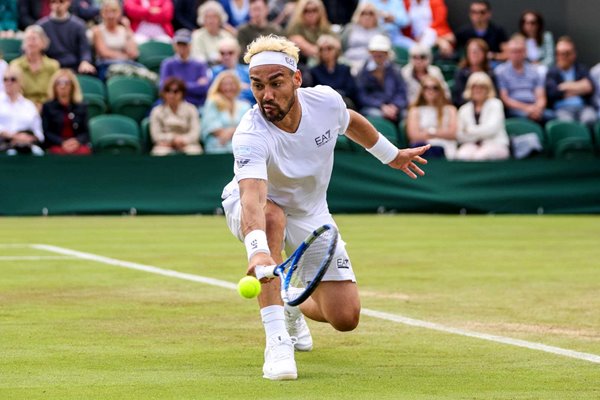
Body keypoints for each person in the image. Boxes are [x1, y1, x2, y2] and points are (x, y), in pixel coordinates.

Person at [220, 34, 430, 381]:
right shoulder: (250, 133)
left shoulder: (326, 102)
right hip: (255, 207)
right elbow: (253, 198)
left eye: (276, 83)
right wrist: (256, 252)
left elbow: (351, 122)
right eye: (257, 86)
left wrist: (391, 156)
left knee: (345, 318)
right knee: (273, 216)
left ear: (297, 79)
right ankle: (277, 342)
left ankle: (291, 300)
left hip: (312, 213)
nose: (266, 96)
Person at [455, 71, 509, 161]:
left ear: (488, 89)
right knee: (461, 155)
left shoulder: (496, 104)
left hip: (495, 143)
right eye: (474, 87)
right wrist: (476, 134)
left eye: (482, 87)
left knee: (480, 156)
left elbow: (491, 129)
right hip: (471, 144)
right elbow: (460, 135)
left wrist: (469, 130)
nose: (478, 90)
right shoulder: (464, 109)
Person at [545, 36, 596, 126]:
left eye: (567, 53)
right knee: (569, 125)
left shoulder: (581, 69)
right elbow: (553, 92)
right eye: (560, 53)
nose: (563, 56)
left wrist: (564, 87)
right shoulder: (552, 72)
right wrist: (579, 88)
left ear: (574, 54)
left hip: (583, 107)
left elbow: (590, 87)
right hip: (562, 109)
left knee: (590, 119)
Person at [356, 34, 408, 123]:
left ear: (387, 54)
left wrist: (394, 106)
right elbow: (362, 96)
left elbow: (402, 92)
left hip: (393, 106)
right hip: (373, 107)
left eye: (381, 53)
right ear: (370, 53)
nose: (378, 56)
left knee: (406, 115)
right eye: (375, 53)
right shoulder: (363, 72)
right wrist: (381, 106)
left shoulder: (395, 70)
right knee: (377, 115)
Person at [496, 34, 547, 122]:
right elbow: (505, 99)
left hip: (534, 107)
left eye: (519, 51)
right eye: (513, 51)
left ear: (525, 52)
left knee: (551, 116)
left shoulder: (535, 71)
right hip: (515, 109)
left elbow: (541, 96)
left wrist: (537, 108)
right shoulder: (500, 71)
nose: (516, 54)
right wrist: (526, 108)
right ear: (508, 53)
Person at [37, 0, 96, 74]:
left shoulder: (79, 25)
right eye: (54, 2)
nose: (57, 5)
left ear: (68, 3)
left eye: (61, 2)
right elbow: (38, 51)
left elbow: (84, 48)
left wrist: (85, 61)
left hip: (74, 66)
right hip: (49, 68)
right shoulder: (41, 26)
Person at [41, 69, 92, 155]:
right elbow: (47, 132)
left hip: (77, 145)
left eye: (66, 82)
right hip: (57, 145)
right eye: (59, 82)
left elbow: (86, 133)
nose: (62, 86)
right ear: (54, 86)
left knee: (85, 152)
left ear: (72, 86)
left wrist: (77, 141)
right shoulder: (48, 107)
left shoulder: (81, 106)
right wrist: (62, 142)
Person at [10, 25, 60, 111]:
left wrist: (44, 107)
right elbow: (14, 92)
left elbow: (55, 92)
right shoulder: (15, 65)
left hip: (48, 110)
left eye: (34, 39)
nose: (30, 42)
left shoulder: (53, 65)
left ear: (43, 43)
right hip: (22, 109)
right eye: (28, 39)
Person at [406, 74, 457, 159]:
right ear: (422, 90)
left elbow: (453, 133)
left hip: (446, 148)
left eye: (435, 88)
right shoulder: (415, 110)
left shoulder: (450, 109)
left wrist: (429, 132)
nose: (430, 91)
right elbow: (414, 135)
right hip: (423, 149)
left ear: (440, 90)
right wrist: (441, 133)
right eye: (426, 87)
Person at [149, 77, 203, 155]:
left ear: (182, 93)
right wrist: (172, 139)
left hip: (188, 143)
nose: (171, 95)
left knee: (195, 152)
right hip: (164, 144)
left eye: (176, 91)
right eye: (168, 91)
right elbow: (155, 135)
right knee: (159, 153)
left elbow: (195, 132)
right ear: (164, 93)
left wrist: (183, 140)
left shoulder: (191, 109)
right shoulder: (157, 111)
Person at [201, 70, 250, 153]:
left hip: (239, 143)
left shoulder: (245, 106)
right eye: (225, 84)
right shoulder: (212, 102)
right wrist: (230, 133)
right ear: (219, 86)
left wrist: (231, 132)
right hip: (217, 143)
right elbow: (211, 126)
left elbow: (247, 128)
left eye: (231, 84)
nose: (228, 88)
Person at [159, 28, 211, 107]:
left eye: (184, 44)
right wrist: (194, 85)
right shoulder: (168, 64)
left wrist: (176, 87)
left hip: (196, 104)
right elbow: (164, 87)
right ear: (174, 45)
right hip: (172, 104)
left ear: (190, 45)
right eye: (179, 44)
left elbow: (203, 89)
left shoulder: (200, 64)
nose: (182, 47)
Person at [0, 65, 44, 155]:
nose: (8, 82)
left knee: (38, 153)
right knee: (11, 153)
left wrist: (28, 138)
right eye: (5, 79)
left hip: (25, 147)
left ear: (20, 82)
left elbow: (39, 133)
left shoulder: (29, 105)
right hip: (3, 144)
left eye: (13, 79)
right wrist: (13, 136)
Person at [92, 0, 140, 81]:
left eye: (114, 11)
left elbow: (133, 53)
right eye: (107, 11)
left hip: (127, 64)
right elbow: (104, 53)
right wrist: (125, 57)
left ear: (120, 13)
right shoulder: (97, 30)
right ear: (102, 13)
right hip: (106, 66)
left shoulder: (124, 30)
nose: (111, 15)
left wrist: (128, 29)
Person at [310, 34, 359, 110]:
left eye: (329, 48)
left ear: (336, 50)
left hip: (344, 102)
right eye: (322, 49)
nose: (325, 52)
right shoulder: (314, 71)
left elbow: (351, 90)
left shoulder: (345, 69)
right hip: (323, 104)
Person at [455, 0, 507, 65]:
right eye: (474, 12)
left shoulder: (498, 31)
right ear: (470, 14)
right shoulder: (462, 32)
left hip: (492, 65)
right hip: (470, 66)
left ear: (489, 13)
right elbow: (454, 53)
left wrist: (493, 56)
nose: (478, 15)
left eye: (482, 12)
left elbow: (507, 54)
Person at [341, 2, 385, 76]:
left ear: (376, 16)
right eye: (363, 13)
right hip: (349, 63)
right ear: (358, 15)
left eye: (371, 13)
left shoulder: (381, 31)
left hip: (373, 67)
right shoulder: (349, 29)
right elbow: (342, 48)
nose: (367, 16)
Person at [285, 0, 333, 66]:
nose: (311, 14)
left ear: (320, 11)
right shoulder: (295, 28)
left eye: (314, 10)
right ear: (301, 12)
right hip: (303, 64)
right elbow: (297, 41)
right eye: (306, 11)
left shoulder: (325, 28)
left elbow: (336, 45)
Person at [451, 38, 496, 107]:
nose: (474, 54)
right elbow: (459, 98)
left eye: (477, 51)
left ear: (485, 53)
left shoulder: (490, 73)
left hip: (488, 107)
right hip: (467, 108)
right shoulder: (461, 74)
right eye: (471, 51)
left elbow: (495, 95)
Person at [210, 37, 254, 104]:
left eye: (230, 53)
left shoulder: (247, 71)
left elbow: (255, 92)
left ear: (237, 53)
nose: (226, 56)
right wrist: (239, 87)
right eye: (222, 53)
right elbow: (213, 94)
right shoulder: (215, 72)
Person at [191, 0, 235, 64]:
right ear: (202, 19)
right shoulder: (197, 35)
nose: (211, 21)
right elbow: (198, 58)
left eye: (214, 17)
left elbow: (233, 55)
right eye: (208, 17)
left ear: (220, 19)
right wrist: (214, 58)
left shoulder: (227, 35)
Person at [519, 10, 554, 76]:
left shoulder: (546, 36)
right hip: (525, 71)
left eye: (532, 23)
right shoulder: (519, 38)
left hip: (543, 69)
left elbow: (550, 59)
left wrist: (539, 65)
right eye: (526, 23)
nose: (529, 26)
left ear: (538, 24)